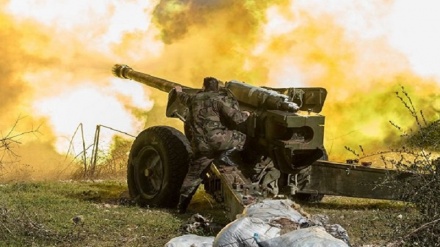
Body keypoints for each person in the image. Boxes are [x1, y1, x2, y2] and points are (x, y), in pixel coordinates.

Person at [174, 77, 250, 213]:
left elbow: (182, 97)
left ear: (204, 86)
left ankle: (181, 206)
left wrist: (178, 90)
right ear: (217, 88)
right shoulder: (218, 100)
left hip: (200, 146)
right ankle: (226, 155)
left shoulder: (193, 99)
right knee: (242, 137)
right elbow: (237, 118)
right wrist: (246, 114)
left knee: (193, 176)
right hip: (219, 141)